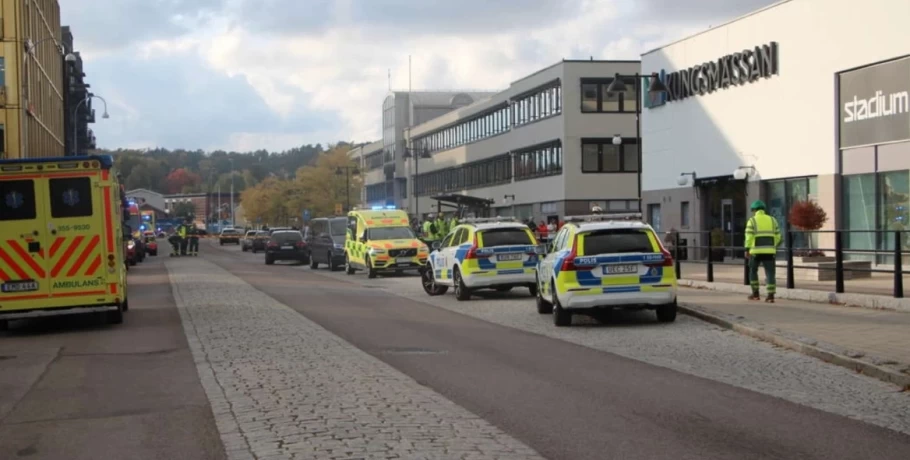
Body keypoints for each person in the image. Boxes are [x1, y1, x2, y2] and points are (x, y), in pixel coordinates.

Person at [744, 200, 782, 303]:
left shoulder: (752, 221)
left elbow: (749, 237)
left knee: (752, 271)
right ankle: (770, 296)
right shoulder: (773, 220)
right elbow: (778, 236)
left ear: (754, 210)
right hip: (769, 251)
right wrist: (773, 245)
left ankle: (755, 294)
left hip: (755, 252)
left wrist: (747, 249)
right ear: (764, 209)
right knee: (770, 273)